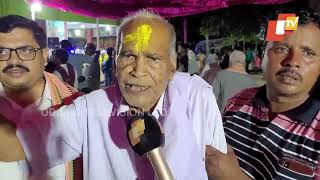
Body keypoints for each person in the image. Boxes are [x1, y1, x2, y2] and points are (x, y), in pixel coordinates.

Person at [0, 10, 227, 180]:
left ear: (172, 66)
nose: (137, 71)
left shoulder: (196, 97)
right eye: (128, 56)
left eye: (152, 58)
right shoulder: (89, 109)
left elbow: (218, 164)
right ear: (115, 61)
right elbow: (22, 145)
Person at [206, 9, 320, 180]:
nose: (292, 61)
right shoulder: (238, 101)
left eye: (308, 53)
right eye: (281, 48)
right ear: (263, 54)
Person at [0, 15, 82, 180]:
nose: (13, 60)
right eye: (2, 51)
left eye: (25, 50)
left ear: (45, 55)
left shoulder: (79, 106)